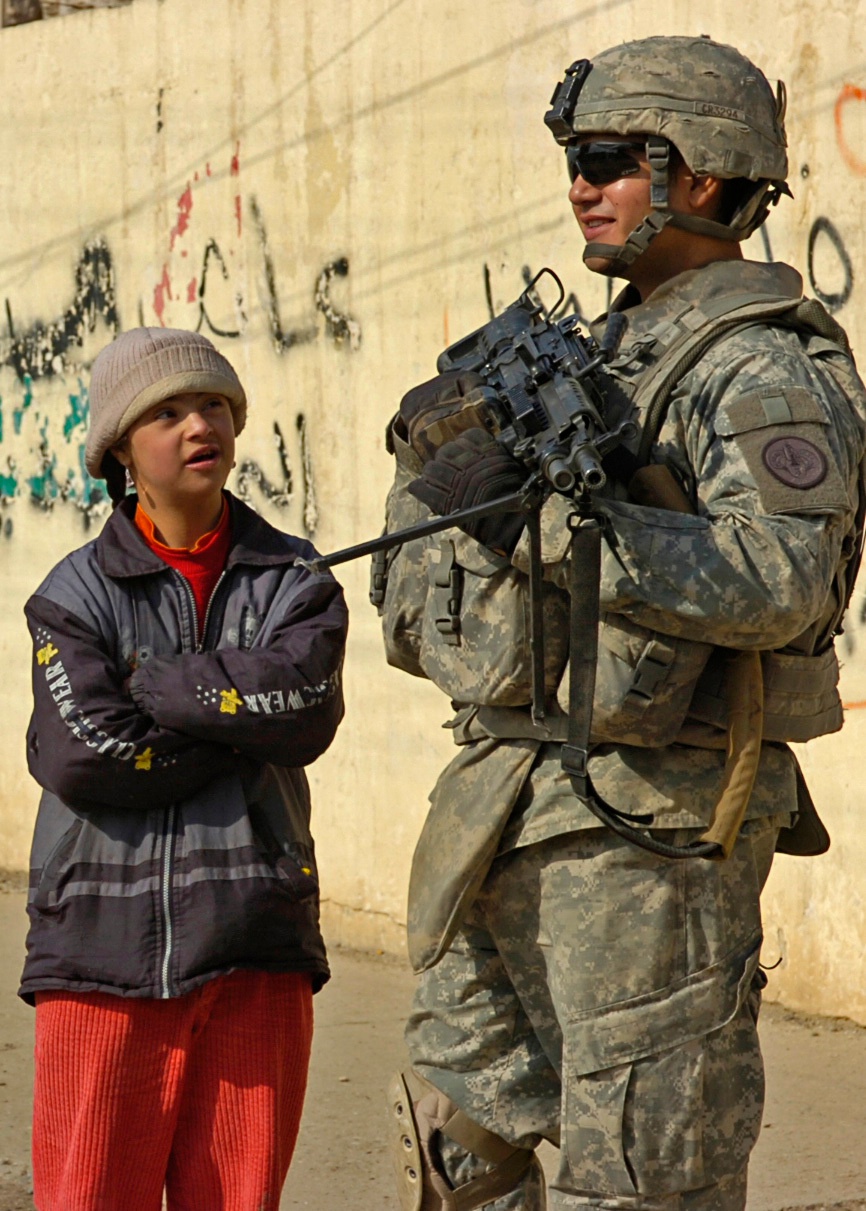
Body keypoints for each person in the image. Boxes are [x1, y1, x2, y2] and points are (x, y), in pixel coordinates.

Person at [377, 35, 866, 1211]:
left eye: (606, 158)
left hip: (650, 827)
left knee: (643, 1173)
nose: (578, 185)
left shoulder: (756, 367)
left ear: (699, 176)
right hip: (506, 801)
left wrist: (552, 527)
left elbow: (782, 573)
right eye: (573, 159)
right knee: (459, 1138)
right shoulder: (596, 355)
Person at [21, 327, 348, 1211]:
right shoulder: (73, 593)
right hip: (99, 953)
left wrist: (164, 687)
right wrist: (239, 715)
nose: (198, 423)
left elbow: (306, 707)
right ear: (122, 449)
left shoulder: (296, 580)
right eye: (166, 412)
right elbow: (85, 755)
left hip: (255, 944)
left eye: (212, 405)